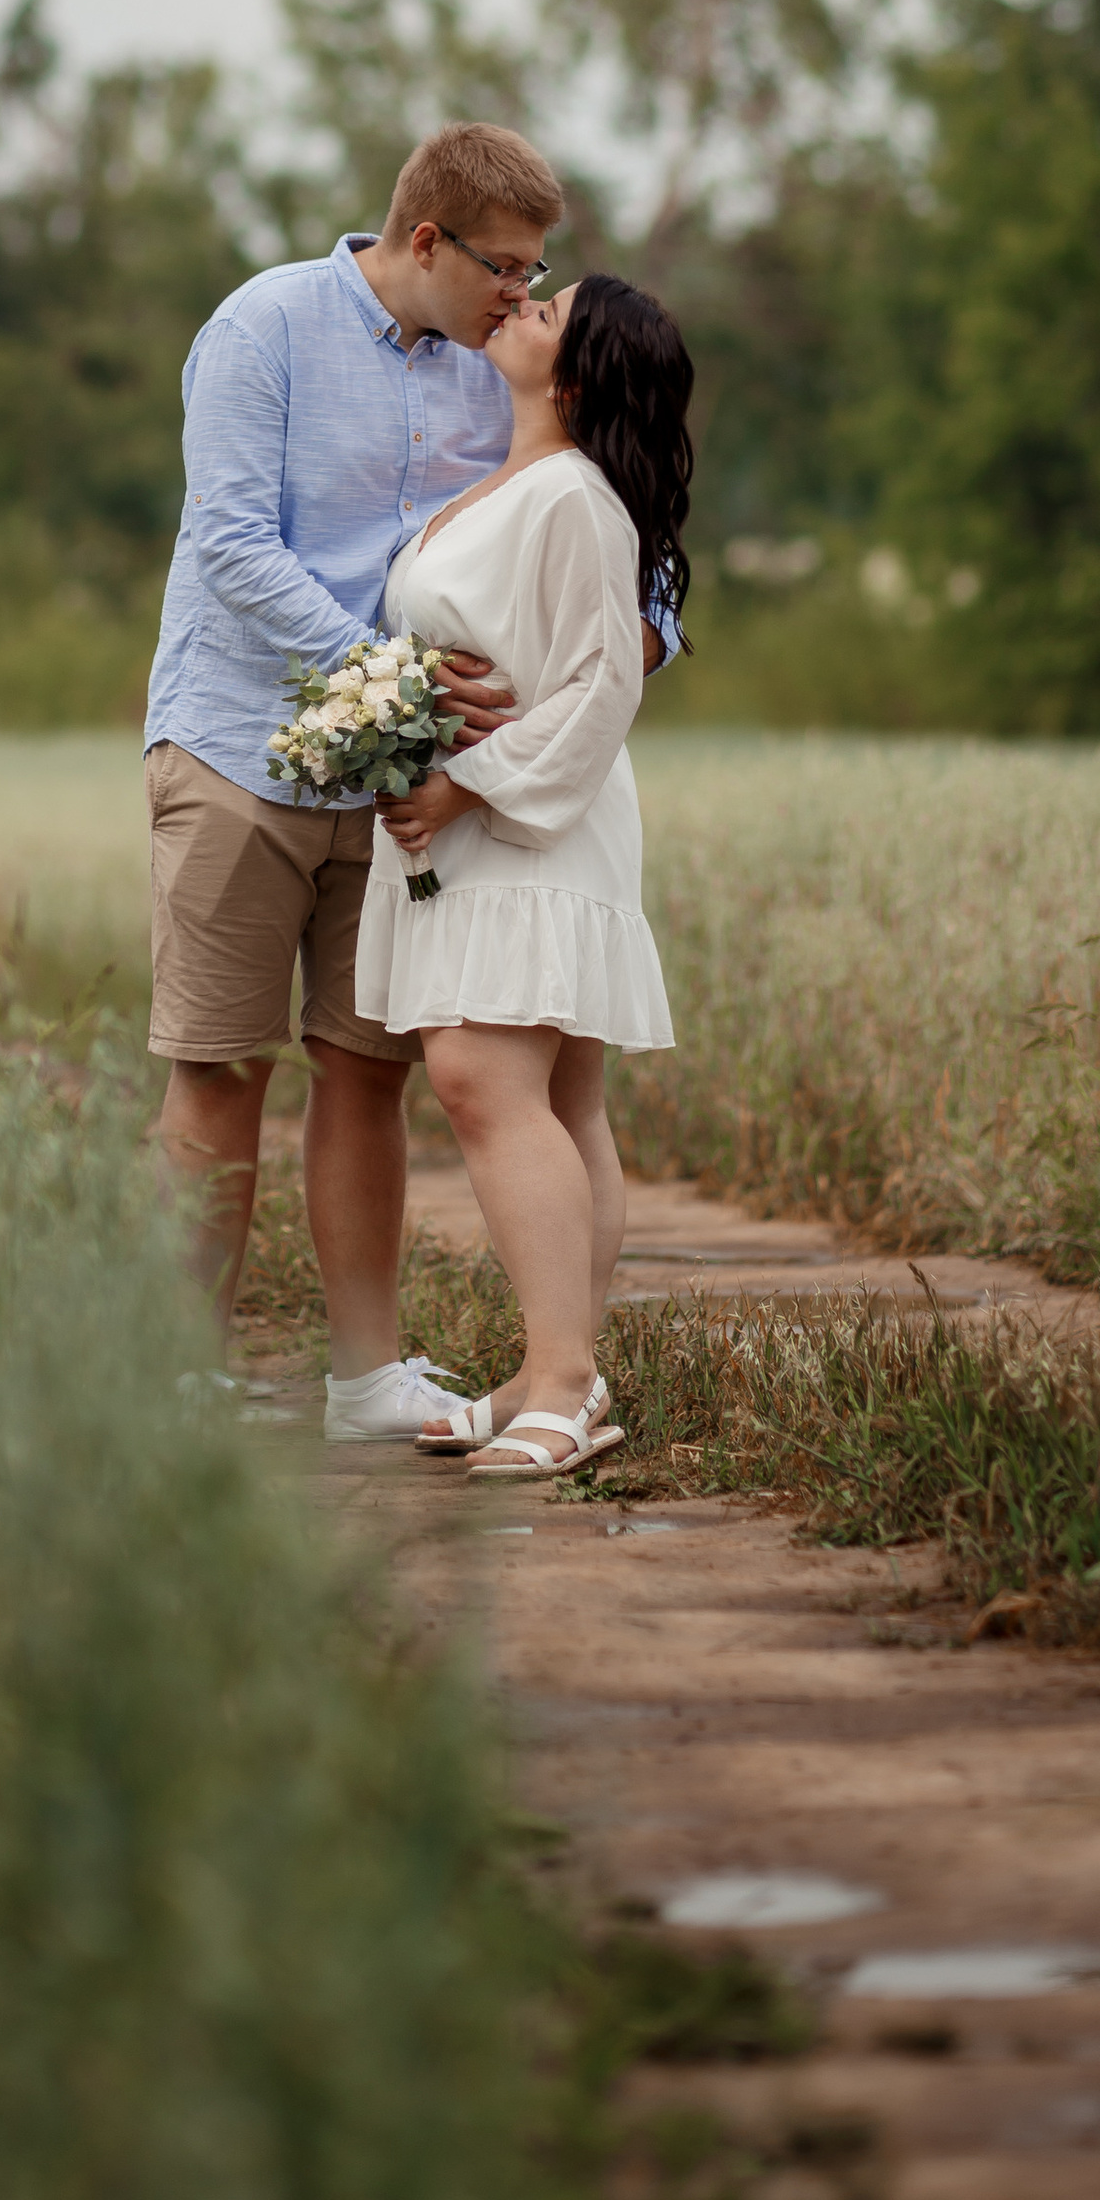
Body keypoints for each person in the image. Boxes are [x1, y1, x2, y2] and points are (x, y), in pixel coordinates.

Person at [146, 121, 632, 1438]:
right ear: (428, 240)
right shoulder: (263, 331)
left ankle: (362, 1381)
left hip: (411, 787)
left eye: (535, 273)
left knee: (365, 1070)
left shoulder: (503, 366)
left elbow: (577, 502)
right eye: (507, 268)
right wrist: (392, 680)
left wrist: (629, 640)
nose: (524, 298)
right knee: (217, 1066)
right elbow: (236, 548)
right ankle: (174, 1377)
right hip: (239, 747)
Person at [362, 271, 693, 1479]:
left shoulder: (575, 498)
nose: (520, 304)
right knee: (557, 1099)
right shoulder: (494, 488)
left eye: (547, 310)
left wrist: (466, 784)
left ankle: (562, 1383)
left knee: (478, 1074)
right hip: (460, 821)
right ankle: (556, 1366)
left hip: (527, 819)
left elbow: (606, 684)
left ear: (577, 373)